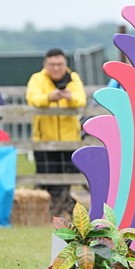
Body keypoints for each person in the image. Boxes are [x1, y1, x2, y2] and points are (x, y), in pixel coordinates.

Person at [27, 48, 88, 216]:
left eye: (60, 64)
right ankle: (79, 214)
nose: (56, 68)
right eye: (52, 64)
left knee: (64, 183)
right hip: (44, 141)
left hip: (69, 141)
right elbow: (33, 98)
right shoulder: (37, 79)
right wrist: (49, 97)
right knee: (49, 183)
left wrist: (69, 98)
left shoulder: (73, 78)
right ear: (45, 65)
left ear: (65, 64)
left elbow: (81, 99)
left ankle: (56, 216)